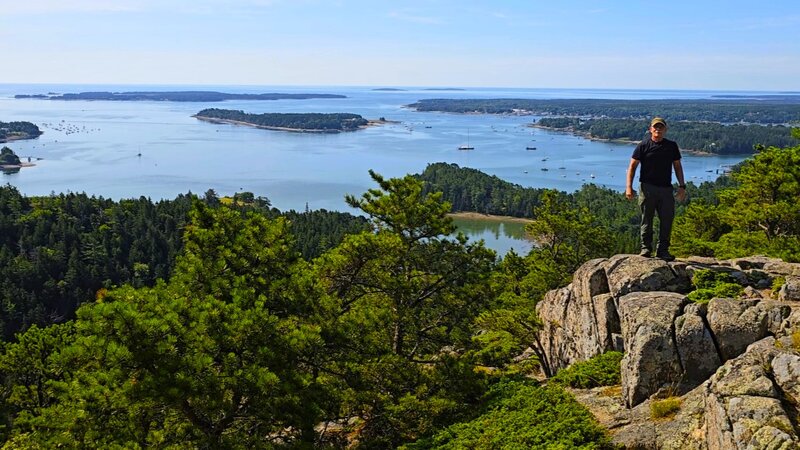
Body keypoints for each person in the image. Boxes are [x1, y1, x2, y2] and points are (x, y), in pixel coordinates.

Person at [625, 117, 686, 261]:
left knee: (667, 220)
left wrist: (682, 186)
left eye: (661, 127)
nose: (658, 129)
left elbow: (677, 166)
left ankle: (663, 250)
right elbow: (632, 166)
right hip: (647, 188)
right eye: (655, 127)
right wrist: (629, 187)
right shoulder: (643, 145)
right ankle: (646, 249)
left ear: (665, 130)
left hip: (666, 189)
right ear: (650, 129)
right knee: (647, 219)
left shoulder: (671, 146)